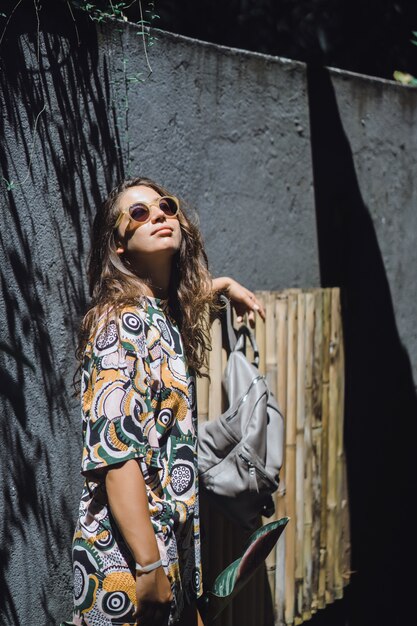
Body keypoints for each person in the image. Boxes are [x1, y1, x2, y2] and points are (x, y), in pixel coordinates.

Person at [69, 177, 265, 626]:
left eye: (165, 207)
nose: (158, 214)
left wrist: (226, 285)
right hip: (125, 560)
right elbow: (116, 453)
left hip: (163, 550)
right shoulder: (117, 324)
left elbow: (184, 301)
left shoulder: (156, 315)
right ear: (119, 247)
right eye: (138, 213)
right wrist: (149, 565)